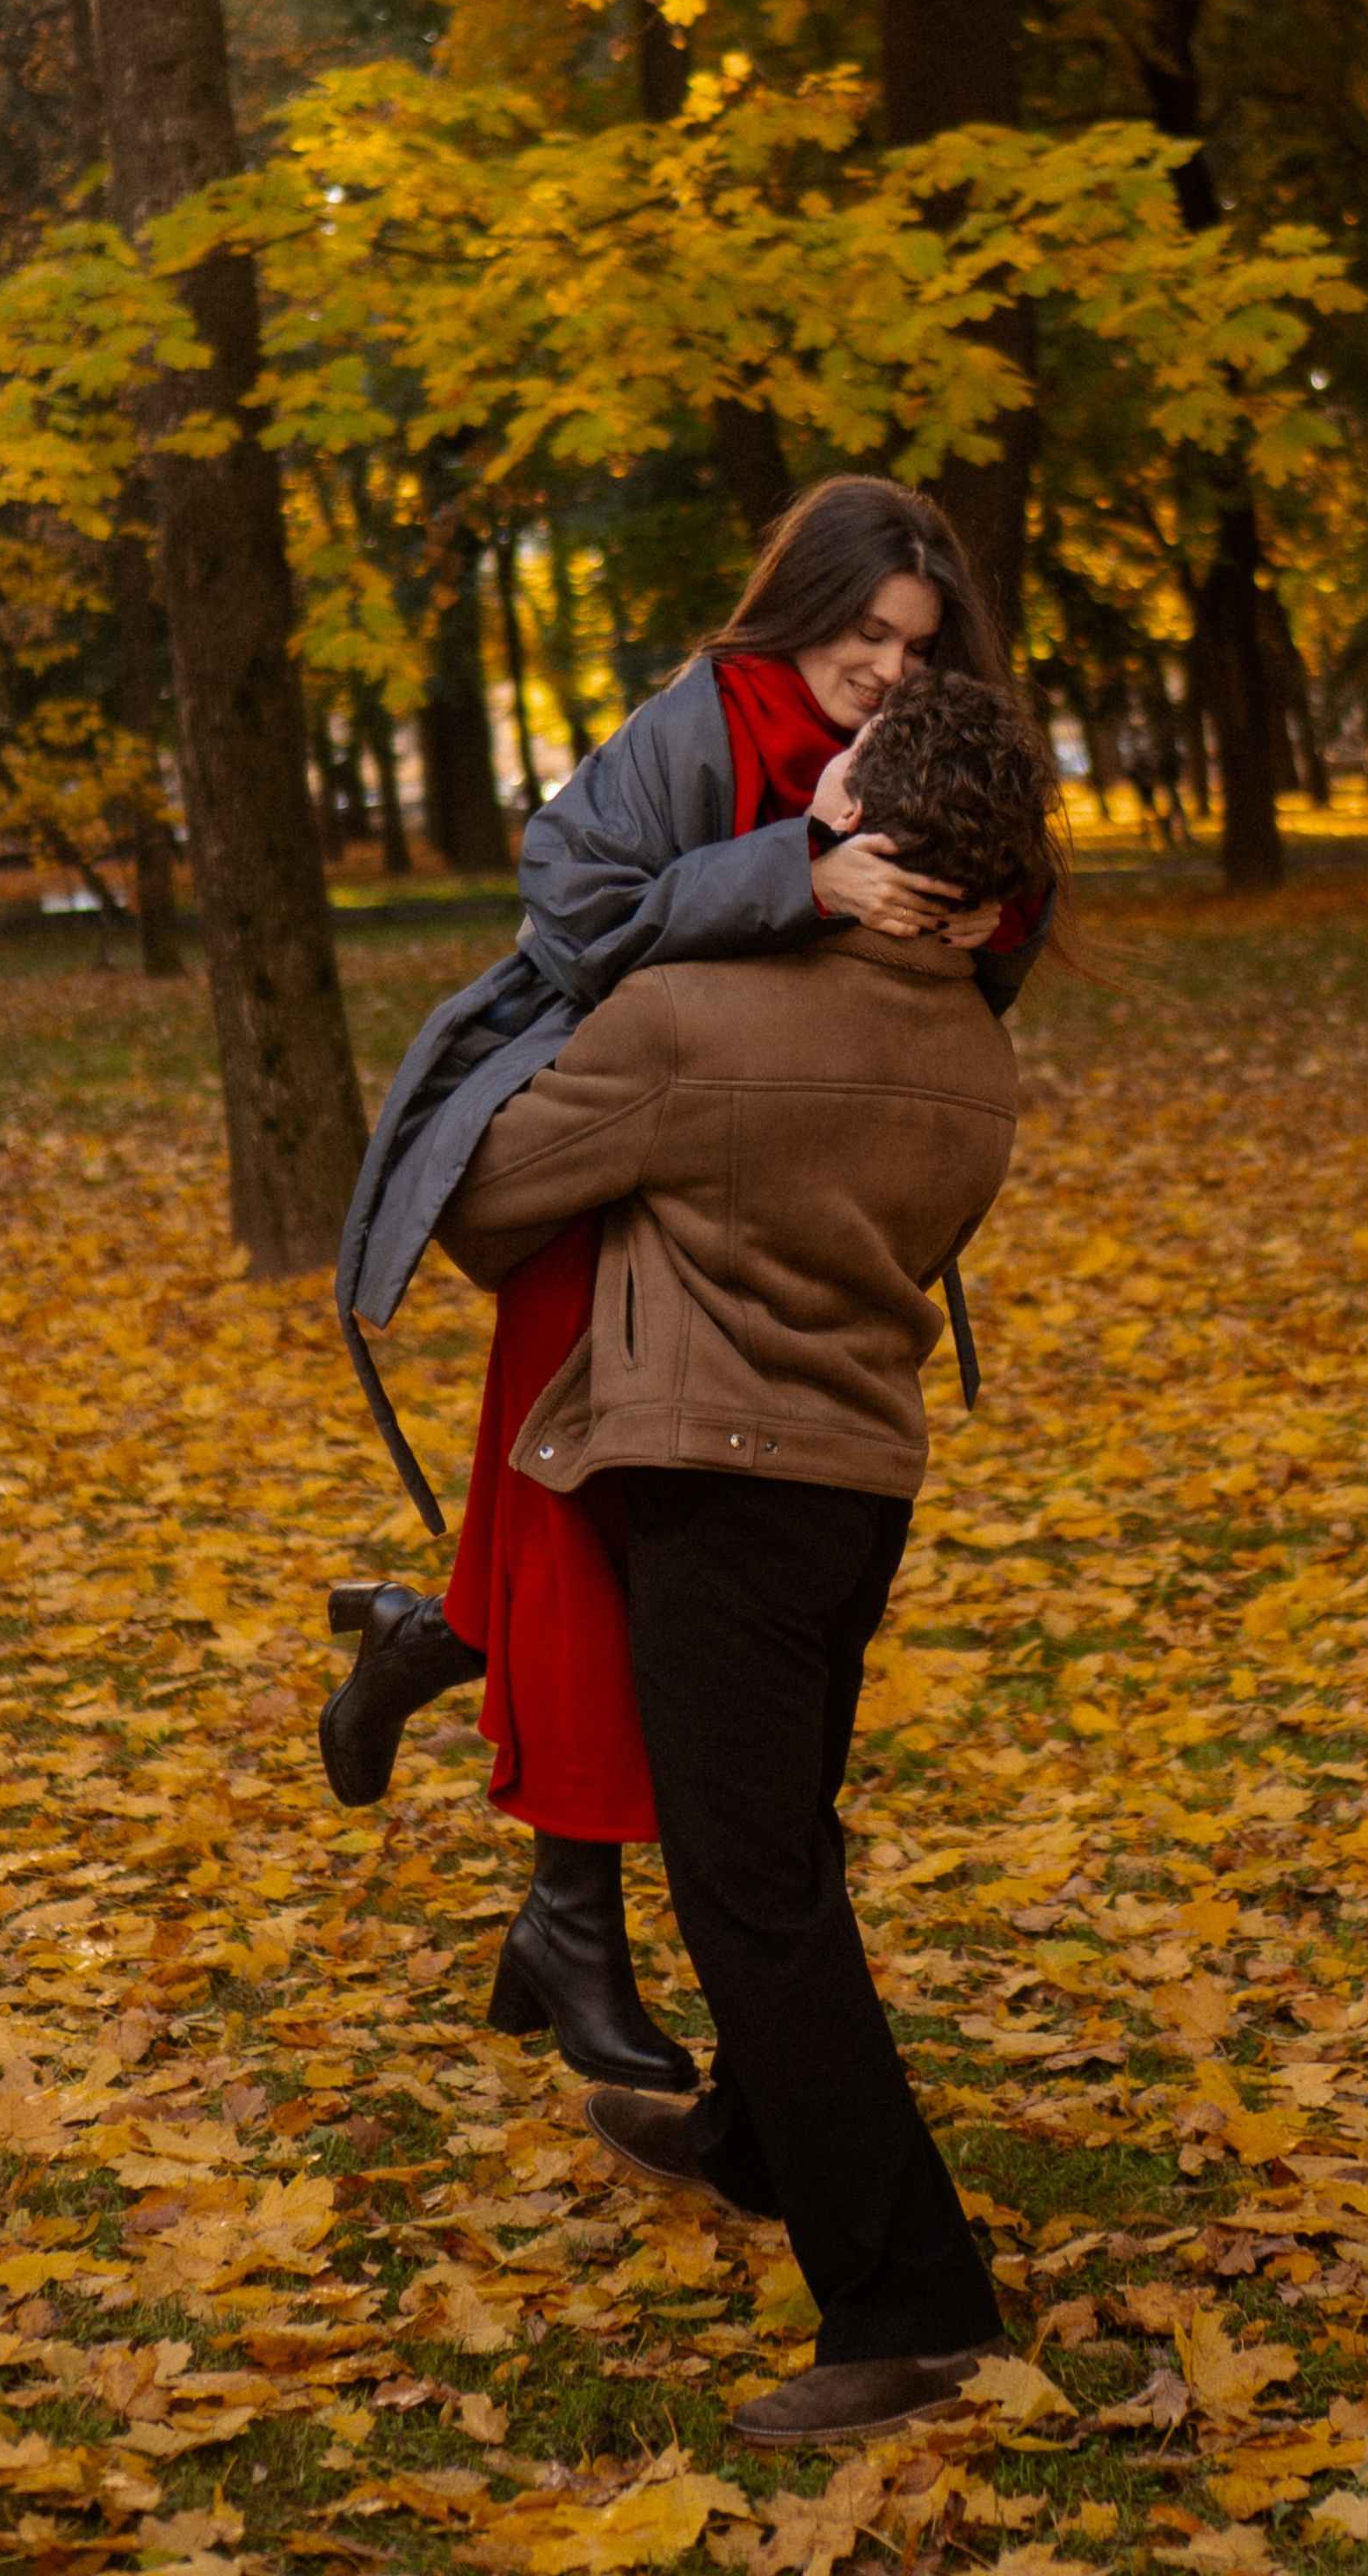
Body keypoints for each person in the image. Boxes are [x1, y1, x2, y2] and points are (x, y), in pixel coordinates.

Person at [321, 479, 1052, 2092]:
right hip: (617, 1157)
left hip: (778, 1193)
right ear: (802, 607)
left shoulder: (924, 734)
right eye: (863, 634)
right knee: (581, 1548)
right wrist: (803, 875)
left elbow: (985, 912)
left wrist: (971, 917)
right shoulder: (692, 726)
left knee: (633, 1571)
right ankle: (572, 1916)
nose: (885, 672)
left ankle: (438, 1642)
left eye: (917, 646)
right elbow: (577, 924)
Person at [433, 672, 1051, 2446]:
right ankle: (748, 2139)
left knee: (746, 1894)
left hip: (711, 1484)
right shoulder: (972, 1045)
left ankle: (911, 2302)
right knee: (778, 1844)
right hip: (856, 1486)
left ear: (860, 838)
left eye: (824, 785)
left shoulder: (694, 1019)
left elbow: (485, 1204)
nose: (790, 806)